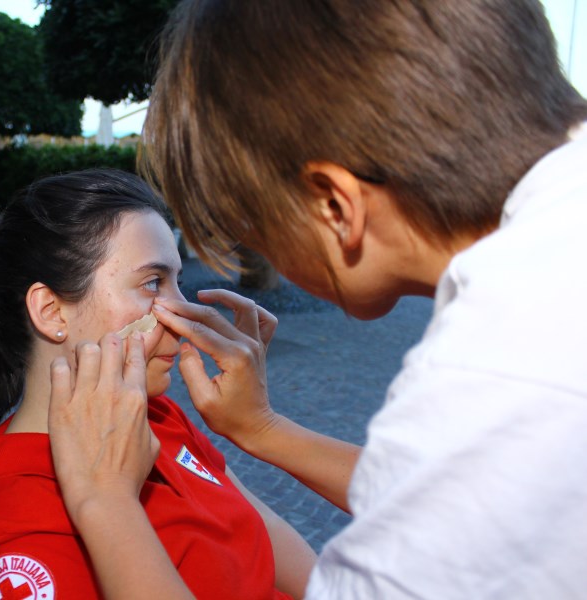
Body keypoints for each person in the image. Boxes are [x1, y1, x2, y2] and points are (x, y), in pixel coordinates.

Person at [45, 1, 587, 599]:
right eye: (152, 281)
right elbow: (463, 498)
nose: (175, 312)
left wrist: (104, 500)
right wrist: (262, 428)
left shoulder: (497, 377)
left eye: (252, 227)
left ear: (334, 206)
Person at [0, 169, 317, 600]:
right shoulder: (24, 548)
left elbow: (263, 530)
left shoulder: (153, 414)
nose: (183, 314)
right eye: (152, 283)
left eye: (178, 283)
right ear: (51, 311)